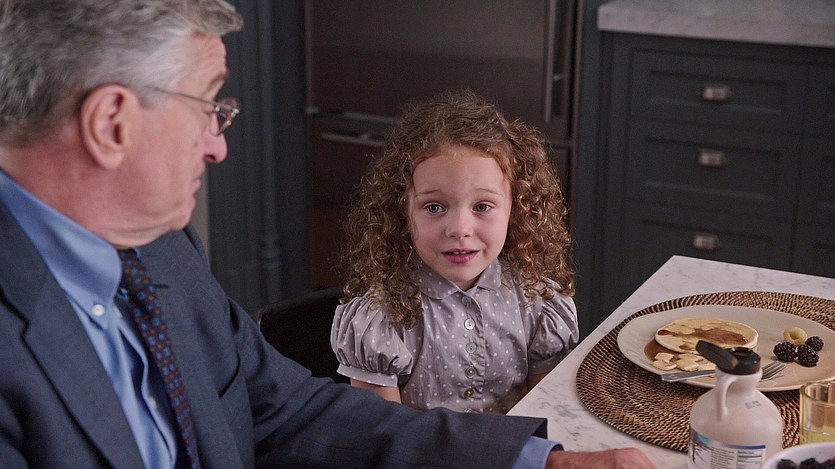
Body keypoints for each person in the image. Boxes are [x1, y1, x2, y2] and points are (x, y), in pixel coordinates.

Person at [0, 1, 655, 468]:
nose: (217, 145)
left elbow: (286, 411)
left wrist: (541, 461)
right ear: (111, 124)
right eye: (208, 107)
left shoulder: (162, 253)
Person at [331, 89, 579, 414]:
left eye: (482, 206)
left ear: (516, 210)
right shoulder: (384, 318)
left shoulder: (537, 304)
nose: (460, 229)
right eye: (434, 207)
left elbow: (545, 417)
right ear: (402, 211)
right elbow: (387, 434)